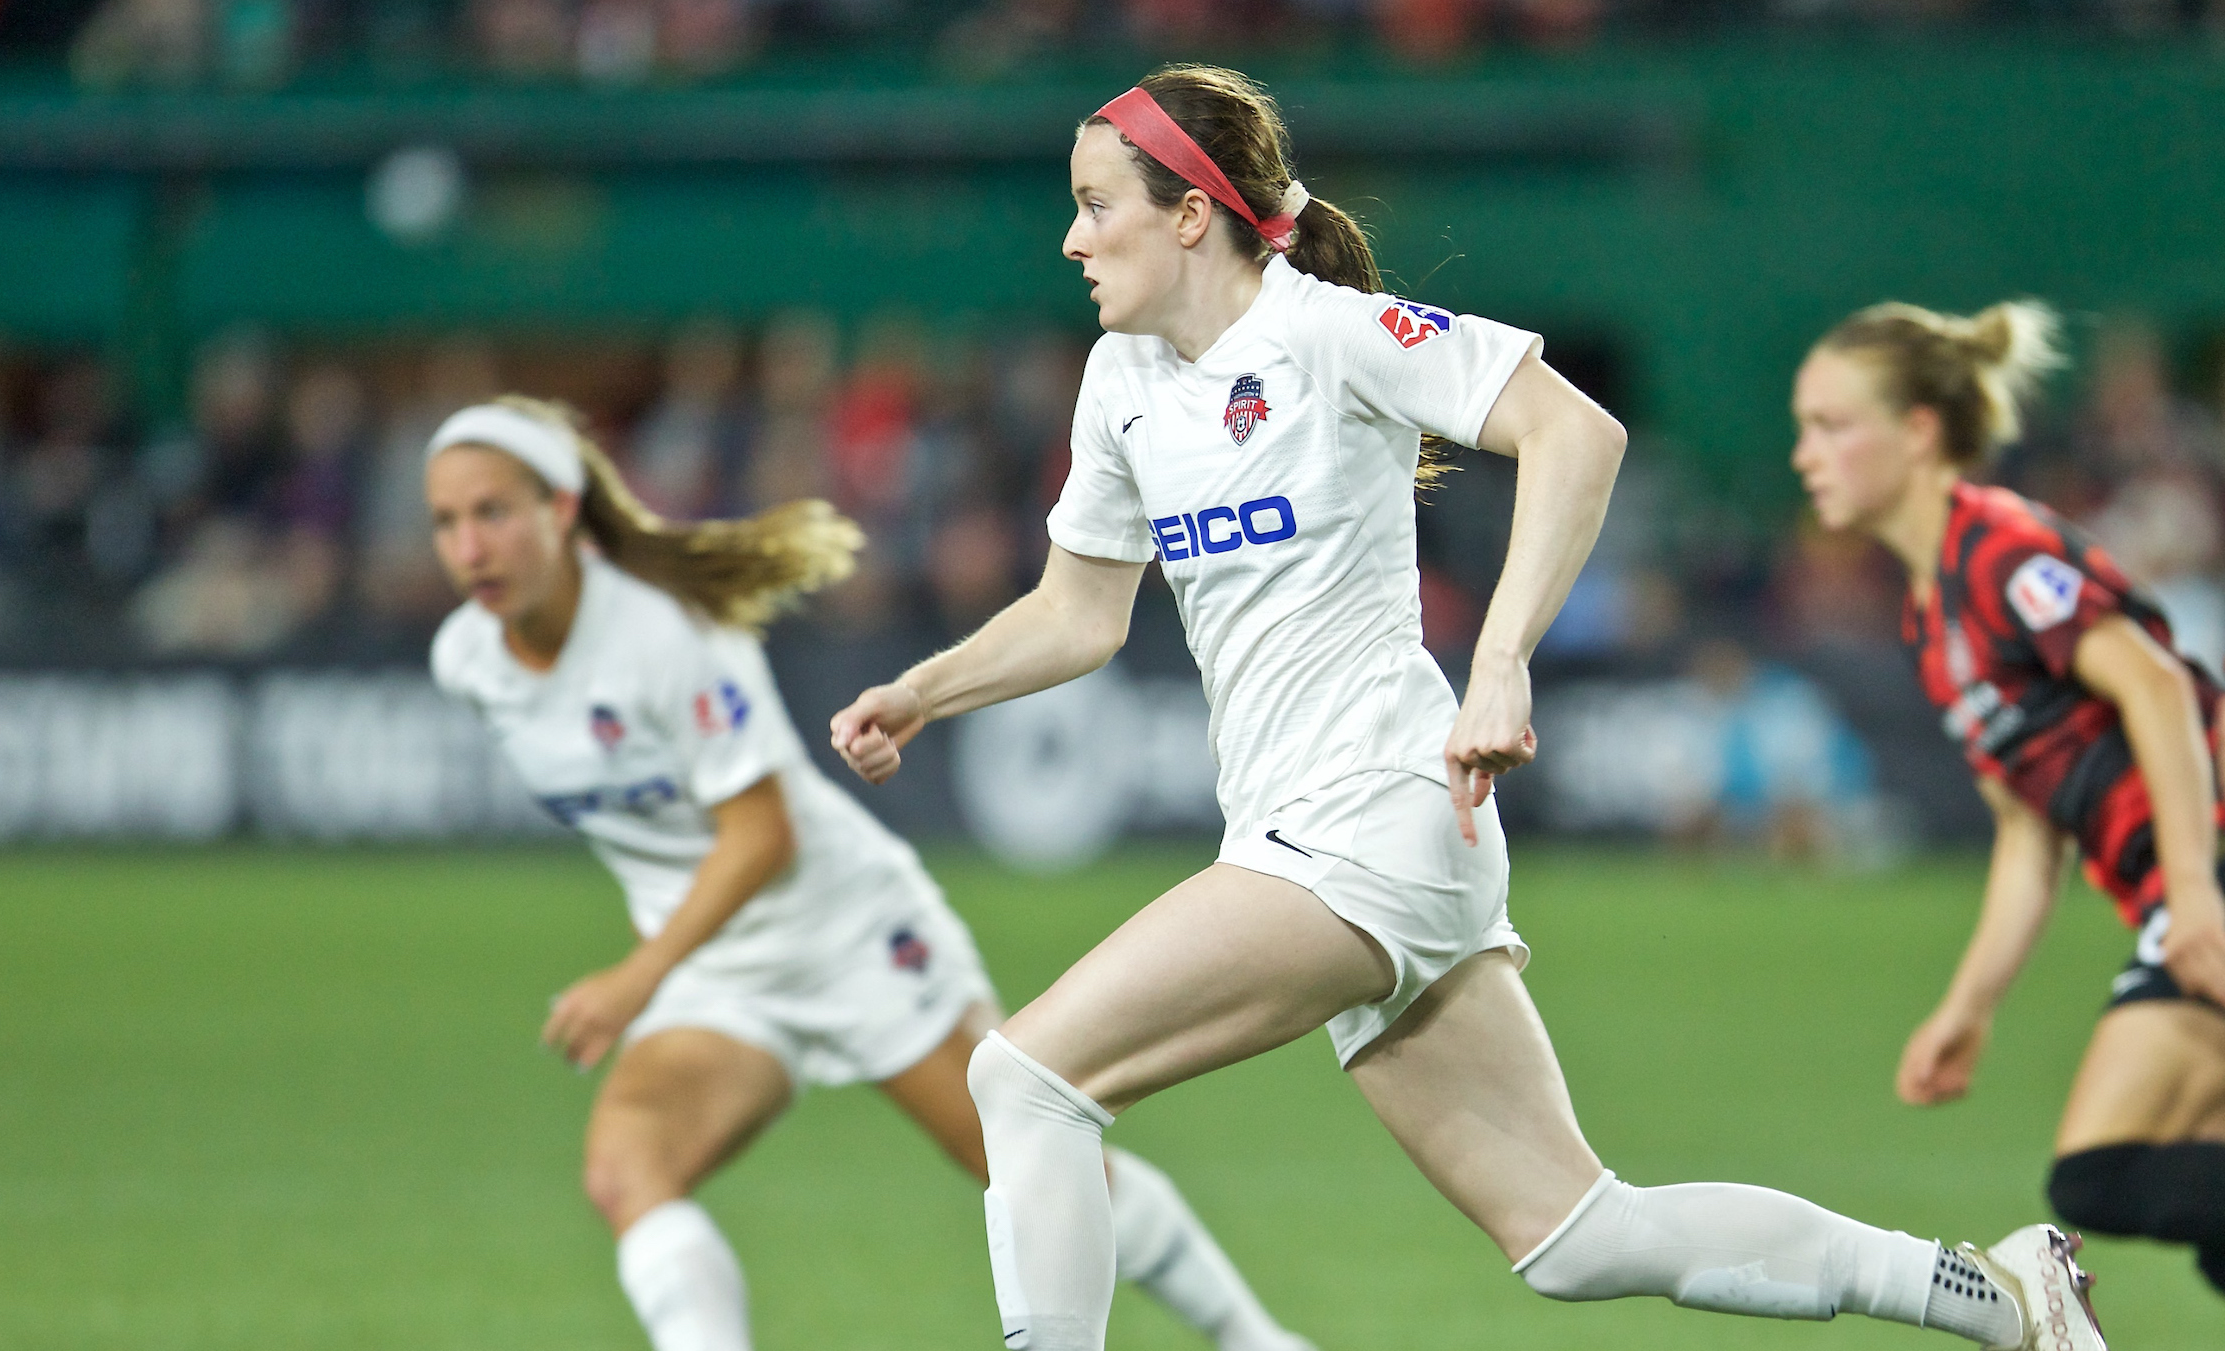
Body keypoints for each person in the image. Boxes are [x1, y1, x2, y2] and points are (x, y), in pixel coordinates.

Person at [827, 64, 2101, 1351]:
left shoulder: (1326, 333)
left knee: (1026, 1078)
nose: (1073, 237)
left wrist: (1500, 661)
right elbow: (1079, 613)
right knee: (1578, 1233)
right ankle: (1997, 1296)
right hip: (1317, 837)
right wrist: (922, 691)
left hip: (1370, 814)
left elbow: (1577, 435)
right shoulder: (1125, 382)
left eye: (1099, 205)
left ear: (1192, 216)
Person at [420, 396, 1318, 1351]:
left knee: (1013, 1157)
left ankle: (1254, 1339)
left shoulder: (660, 633)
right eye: (445, 521)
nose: (469, 544)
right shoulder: (469, 661)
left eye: (493, 512)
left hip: (844, 927)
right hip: (717, 964)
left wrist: (635, 979)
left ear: (560, 510)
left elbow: (763, 835)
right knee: (627, 1171)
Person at [1792, 300, 2225, 1294]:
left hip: (2209, 863)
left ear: (1918, 430)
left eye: (1831, 424)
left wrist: (2193, 888)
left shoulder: (1998, 546)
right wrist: (1969, 1005)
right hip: (2188, 881)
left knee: (2106, 1171)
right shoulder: (1930, 617)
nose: (1806, 454)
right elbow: (2029, 833)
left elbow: (2157, 685)